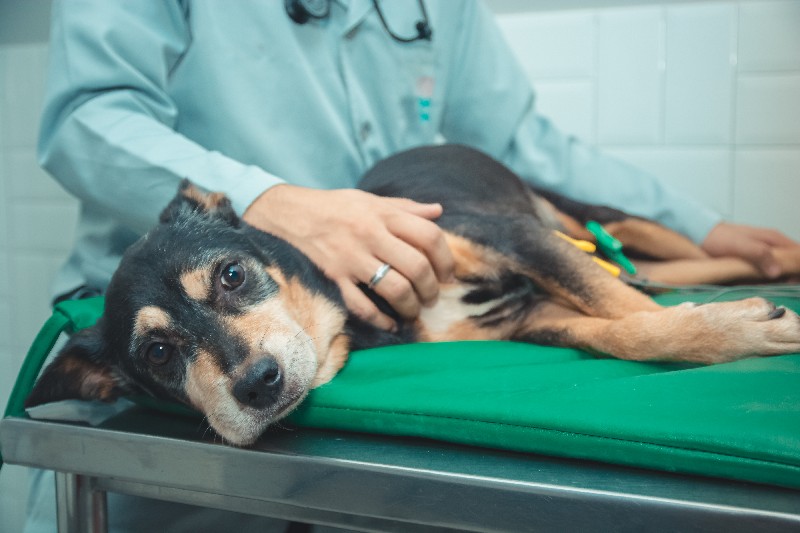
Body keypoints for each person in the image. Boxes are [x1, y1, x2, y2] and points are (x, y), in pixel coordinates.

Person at [26, 1, 798, 532]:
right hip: (161, 377)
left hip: (367, 323)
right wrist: (274, 203)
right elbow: (86, 116)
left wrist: (704, 227)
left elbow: (524, 143)